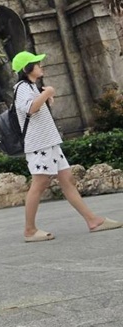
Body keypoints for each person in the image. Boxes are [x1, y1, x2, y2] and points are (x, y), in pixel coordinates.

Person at [13, 52, 122, 241]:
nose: (41, 66)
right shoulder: (22, 87)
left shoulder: (31, 86)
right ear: (26, 69)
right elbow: (29, 108)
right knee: (39, 183)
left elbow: (35, 108)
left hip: (50, 142)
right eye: (37, 64)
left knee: (67, 179)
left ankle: (93, 220)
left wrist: (45, 97)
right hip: (40, 144)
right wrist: (47, 93)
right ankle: (29, 230)